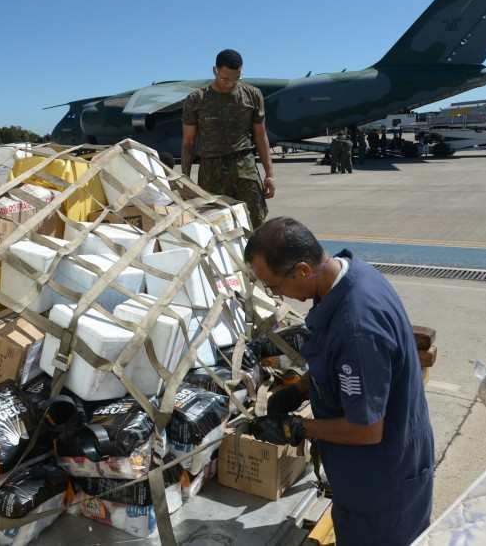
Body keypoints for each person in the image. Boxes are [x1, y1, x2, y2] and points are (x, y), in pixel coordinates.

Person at [243, 217, 434, 545]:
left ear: (302, 270)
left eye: (275, 286)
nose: (278, 295)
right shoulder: (346, 276)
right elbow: (333, 355)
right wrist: (302, 387)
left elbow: (367, 429)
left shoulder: (357, 327)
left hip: (381, 487)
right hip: (369, 475)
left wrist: (298, 428)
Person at [182, 49, 276, 227]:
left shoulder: (252, 95)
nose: (230, 84)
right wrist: (185, 178)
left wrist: (269, 174)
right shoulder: (196, 100)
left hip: (244, 170)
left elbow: (260, 136)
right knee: (217, 228)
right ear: (214, 71)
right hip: (211, 173)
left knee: (255, 225)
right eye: (225, 79)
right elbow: (188, 142)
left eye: (236, 78)